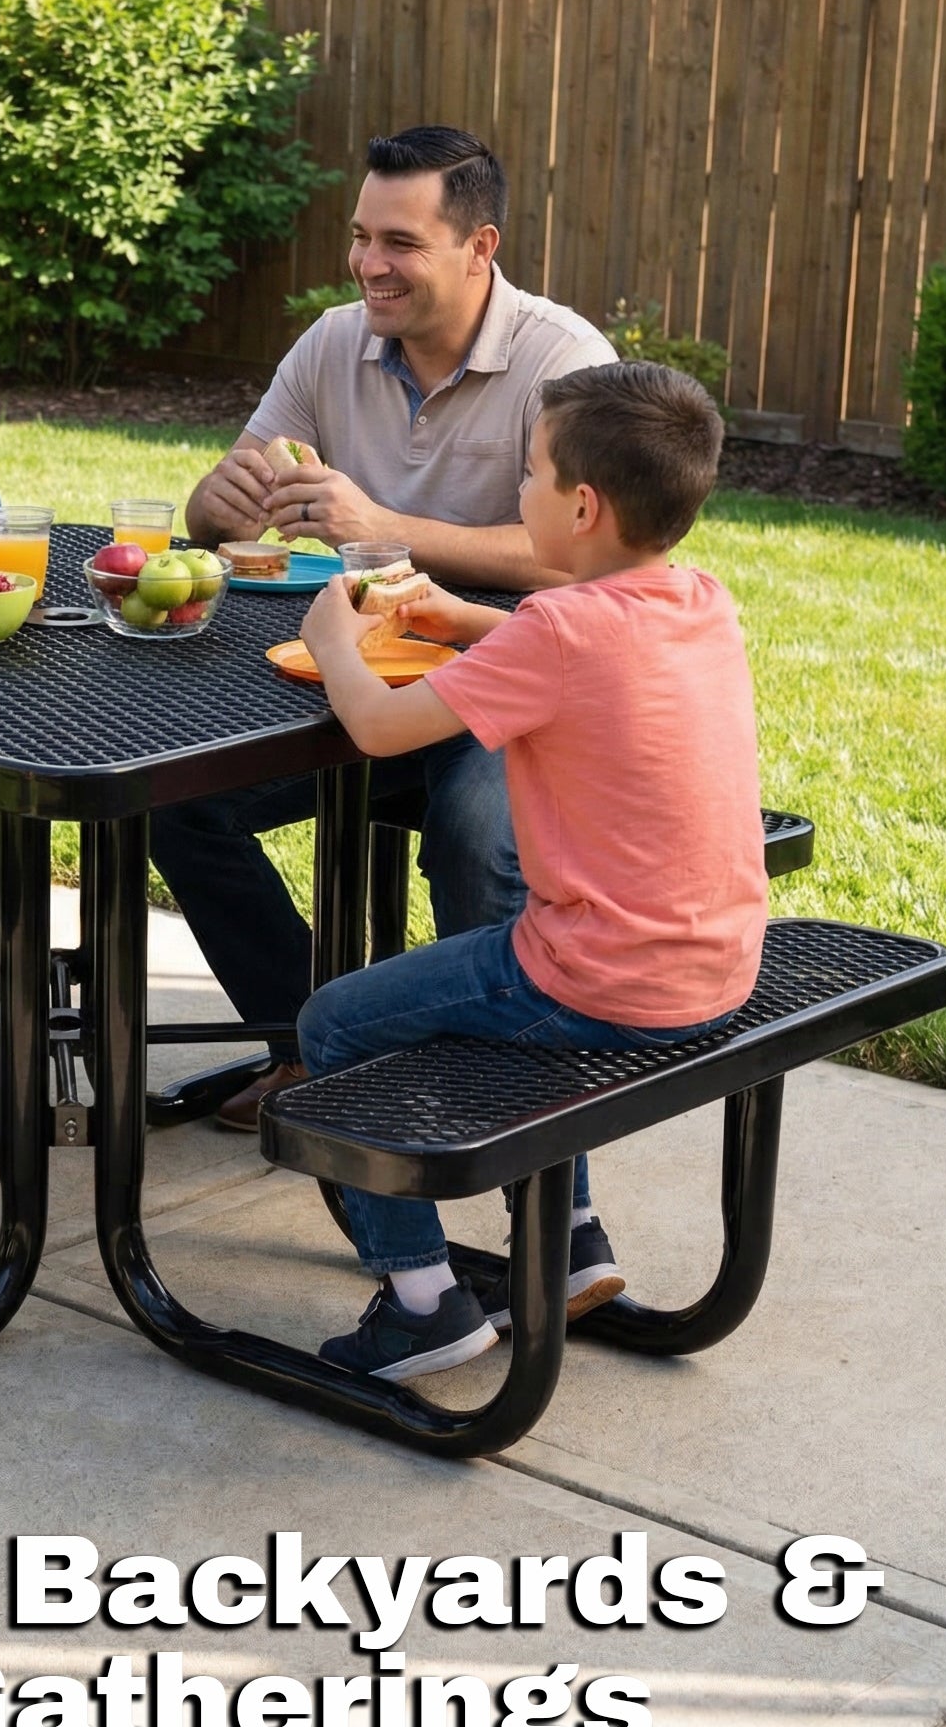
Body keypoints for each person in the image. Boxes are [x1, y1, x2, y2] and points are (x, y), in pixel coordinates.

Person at [292, 360, 768, 1382]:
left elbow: (375, 726)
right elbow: (574, 656)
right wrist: (459, 618)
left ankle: (421, 1302)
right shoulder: (695, 598)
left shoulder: (558, 628)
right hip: (713, 966)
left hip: (600, 978)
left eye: (531, 474)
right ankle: (570, 1236)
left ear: (582, 506)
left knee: (332, 1021)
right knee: (485, 983)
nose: (519, 491)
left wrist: (335, 640)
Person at [164, 125, 619, 1130]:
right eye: (361, 236)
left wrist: (387, 530)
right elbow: (219, 516)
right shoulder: (333, 341)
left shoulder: (563, 359)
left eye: (400, 242)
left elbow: (586, 561)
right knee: (173, 795)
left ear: (478, 247)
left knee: (473, 835)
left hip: (511, 699)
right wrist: (217, 499)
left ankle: (487, 1105)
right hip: (349, 678)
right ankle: (319, 1055)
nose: (370, 262)